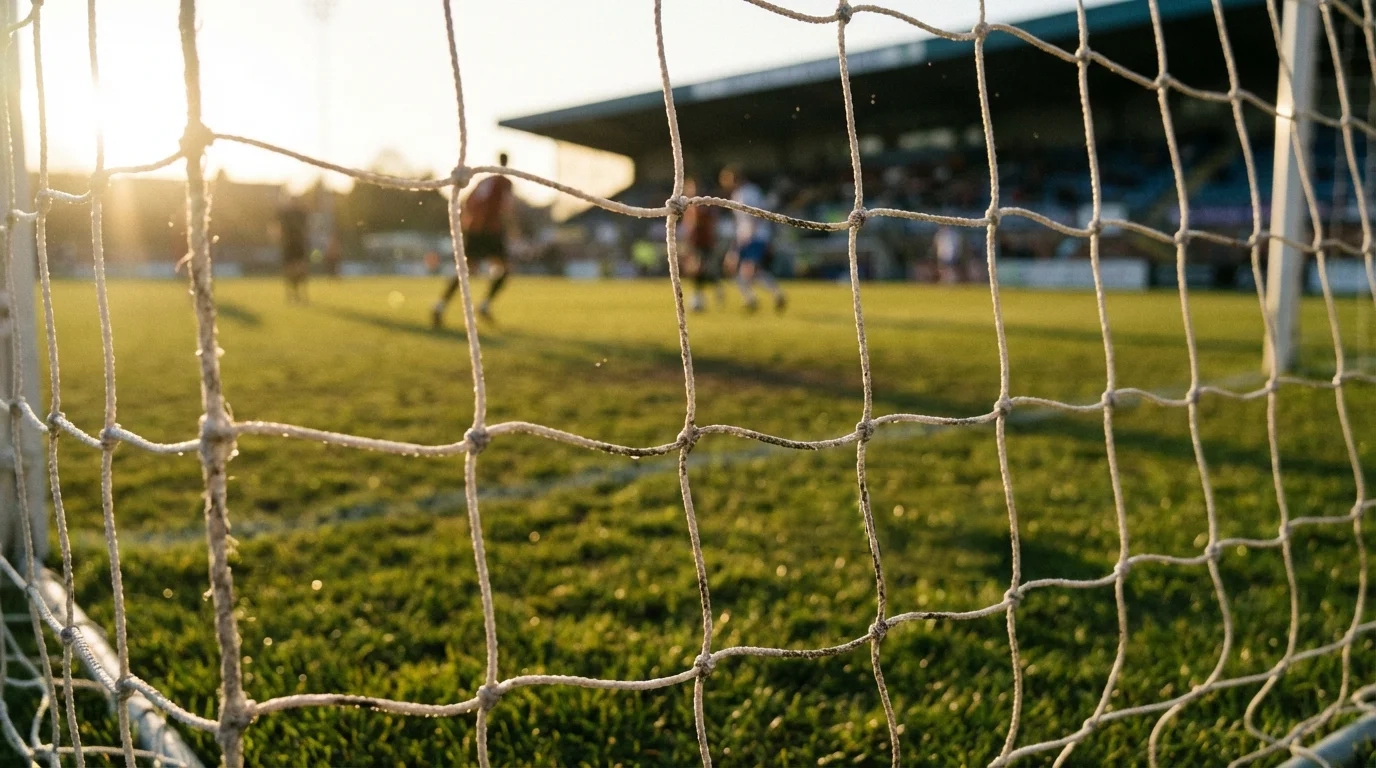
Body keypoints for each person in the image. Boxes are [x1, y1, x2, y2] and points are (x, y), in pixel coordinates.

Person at [432, 152, 516, 328]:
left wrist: (468, 224)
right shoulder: (504, 183)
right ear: (507, 164)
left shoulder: (484, 181)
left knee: (468, 272)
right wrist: (514, 231)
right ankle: (483, 305)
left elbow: (467, 202)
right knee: (503, 269)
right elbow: (506, 209)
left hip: (476, 230)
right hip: (490, 231)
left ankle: (440, 306)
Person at [719, 166, 786, 313]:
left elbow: (758, 214)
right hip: (746, 236)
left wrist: (750, 235)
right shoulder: (739, 193)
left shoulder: (749, 192)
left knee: (747, 269)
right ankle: (769, 295)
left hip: (754, 237)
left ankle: (754, 298)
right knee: (744, 270)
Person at [679, 177, 725, 312]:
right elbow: (687, 225)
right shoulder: (689, 205)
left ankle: (702, 297)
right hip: (693, 242)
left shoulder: (704, 204)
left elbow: (707, 223)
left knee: (700, 268)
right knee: (695, 270)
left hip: (704, 242)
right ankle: (702, 296)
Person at [278, 196, 310, 304]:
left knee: (301, 270)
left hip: (298, 245)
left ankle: (302, 295)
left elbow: (305, 229)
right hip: (288, 245)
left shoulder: (301, 214)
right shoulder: (284, 215)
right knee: (289, 271)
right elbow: (279, 228)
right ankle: (291, 295)